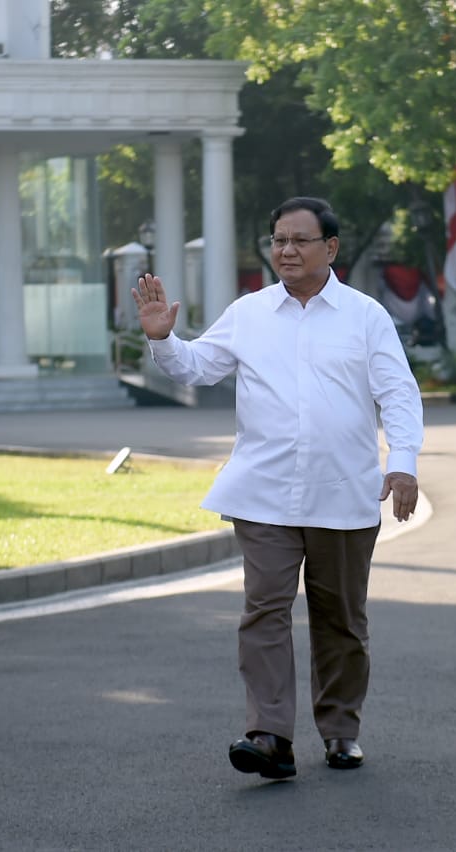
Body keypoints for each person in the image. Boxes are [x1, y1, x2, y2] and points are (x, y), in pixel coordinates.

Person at [131, 196, 423, 779]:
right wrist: (164, 339)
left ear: (330, 248)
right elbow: (195, 367)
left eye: (299, 241)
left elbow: (398, 393)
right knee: (262, 610)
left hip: (342, 493)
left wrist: (404, 462)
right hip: (264, 492)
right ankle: (269, 736)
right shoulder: (250, 312)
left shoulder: (365, 316)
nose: (286, 251)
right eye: (278, 241)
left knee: (340, 617)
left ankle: (341, 730)